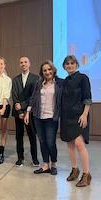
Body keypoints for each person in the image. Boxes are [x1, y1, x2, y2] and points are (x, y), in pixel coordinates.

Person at [24, 60, 63, 175]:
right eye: (44, 70)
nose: (47, 72)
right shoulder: (39, 83)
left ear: (53, 70)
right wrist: (27, 112)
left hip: (52, 117)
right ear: (42, 72)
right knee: (42, 141)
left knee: (51, 142)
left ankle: (54, 163)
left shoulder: (59, 83)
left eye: (49, 69)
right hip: (38, 117)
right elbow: (33, 98)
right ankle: (46, 164)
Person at [61, 55, 92, 187]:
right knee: (70, 144)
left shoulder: (83, 78)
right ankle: (75, 169)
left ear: (76, 64)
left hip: (79, 116)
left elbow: (87, 98)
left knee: (79, 143)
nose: (69, 65)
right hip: (66, 117)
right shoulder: (65, 81)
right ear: (64, 66)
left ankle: (86, 174)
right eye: (67, 64)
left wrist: (85, 114)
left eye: (72, 63)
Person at [12, 56, 39, 167]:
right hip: (18, 113)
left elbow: (34, 96)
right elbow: (14, 96)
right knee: (19, 136)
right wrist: (19, 112)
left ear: (29, 64)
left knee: (32, 136)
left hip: (31, 112)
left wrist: (22, 105)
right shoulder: (15, 79)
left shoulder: (36, 78)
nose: (23, 64)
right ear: (19, 65)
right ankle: (20, 158)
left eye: (25, 62)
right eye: (21, 62)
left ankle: (35, 158)